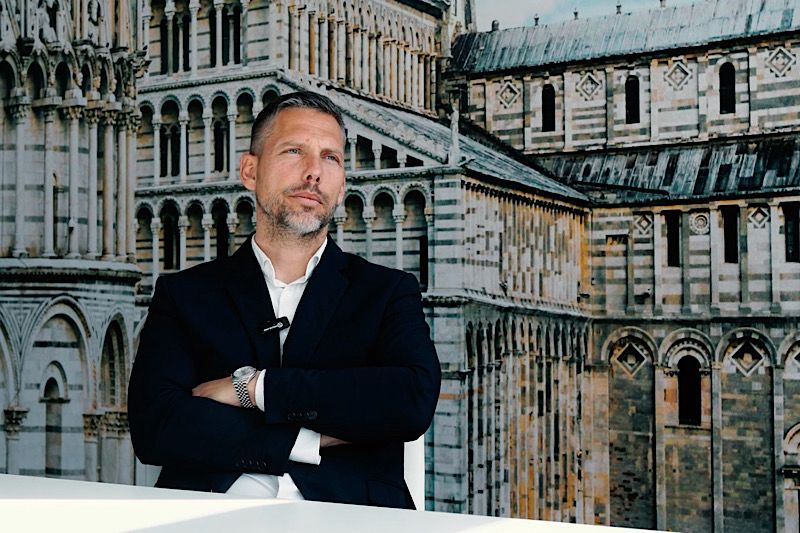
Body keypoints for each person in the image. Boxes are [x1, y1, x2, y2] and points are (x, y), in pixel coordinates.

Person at [128, 91, 441, 509]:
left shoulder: (387, 291)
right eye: (294, 151)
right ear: (250, 170)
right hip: (208, 516)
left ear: (342, 186)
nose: (314, 172)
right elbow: (155, 426)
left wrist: (253, 389)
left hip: (350, 518)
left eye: (330, 157)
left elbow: (410, 401)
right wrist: (308, 438)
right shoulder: (185, 294)